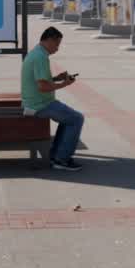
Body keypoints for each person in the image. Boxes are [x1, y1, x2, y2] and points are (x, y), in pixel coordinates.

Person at [21, 27, 84, 171]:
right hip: (39, 105)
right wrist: (64, 83)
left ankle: (56, 154)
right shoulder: (40, 57)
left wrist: (56, 78)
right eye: (57, 44)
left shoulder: (36, 53)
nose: (57, 49)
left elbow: (40, 80)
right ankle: (61, 160)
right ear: (49, 40)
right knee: (76, 119)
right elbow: (42, 87)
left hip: (35, 102)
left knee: (69, 118)